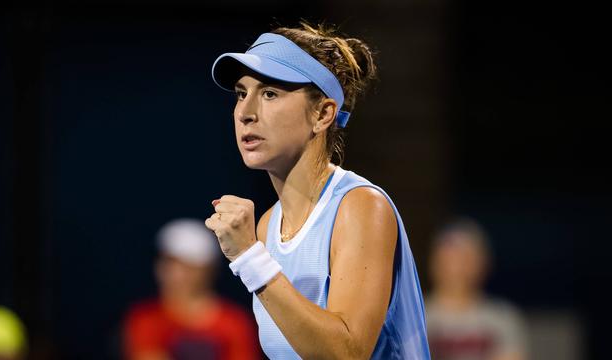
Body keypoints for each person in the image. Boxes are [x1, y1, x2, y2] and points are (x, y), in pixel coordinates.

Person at [204, 22, 430, 359]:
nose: (245, 113)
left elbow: (347, 353)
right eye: (241, 93)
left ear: (323, 114)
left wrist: (250, 258)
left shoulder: (361, 207)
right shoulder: (267, 227)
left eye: (269, 93)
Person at [122, 219, 260, 360]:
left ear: (208, 271)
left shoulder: (235, 323)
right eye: (169, 263)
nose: (176, 274)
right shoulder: (145, 318)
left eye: (188, 268)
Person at [425, 218, 528, 360]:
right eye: (450, 258)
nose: (457, 267)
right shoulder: (414, 317)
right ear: (434, 262)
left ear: (483, 264)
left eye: (466, 258)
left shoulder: (503, 318)